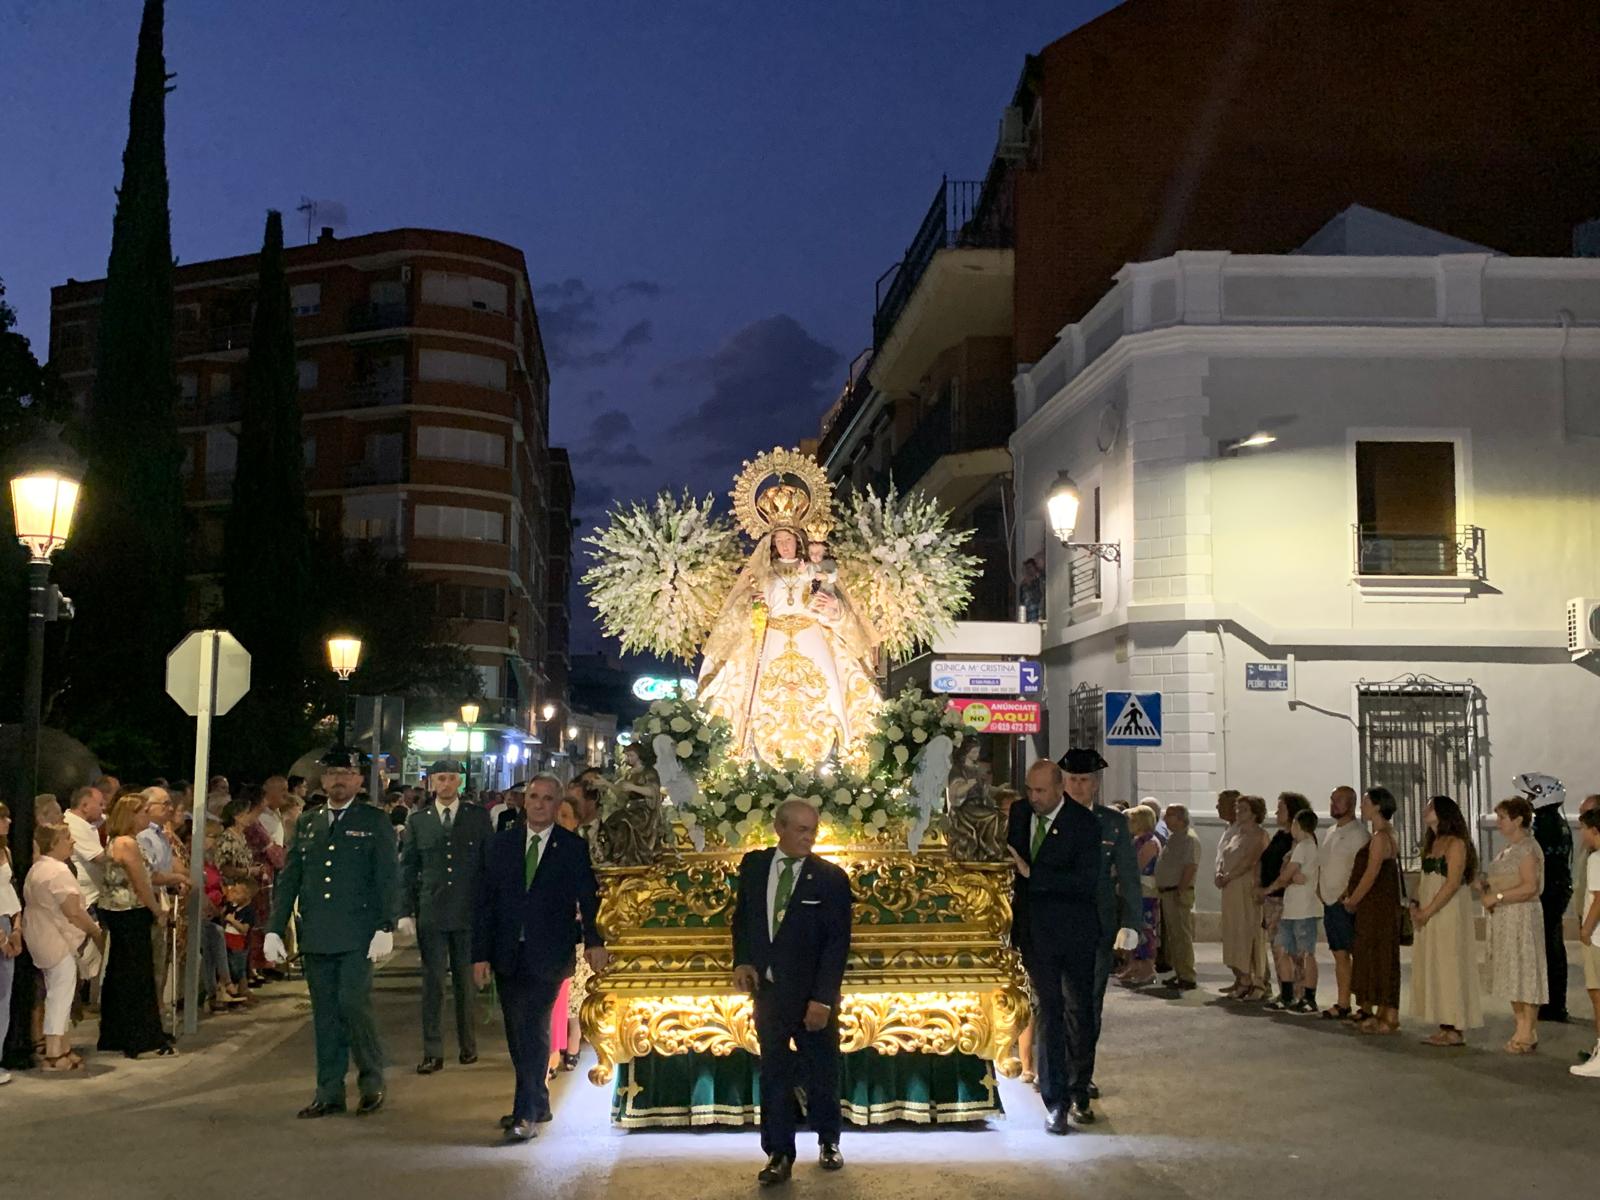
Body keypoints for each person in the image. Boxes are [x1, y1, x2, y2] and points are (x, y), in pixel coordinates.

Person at [264, 747, 400, 1118]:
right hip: (318, 932)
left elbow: (388, 876)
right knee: (324, 1014)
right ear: (323, 780)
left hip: (357, 932)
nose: (339, 781)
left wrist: (386, 924)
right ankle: (329, 1091)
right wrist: (274, 929)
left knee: (353, 1005)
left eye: (347, 774)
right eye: (332, 774)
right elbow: (291, 876)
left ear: (359, 780)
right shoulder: (309, 822)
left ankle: (371, 1080)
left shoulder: (373, 821)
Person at [473, 775, 608, 1143]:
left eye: (548, 798)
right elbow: (484, 902)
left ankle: (525, 1113)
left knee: (533, 1028)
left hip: (549, 953)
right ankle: (538, 1101)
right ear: (524, 801)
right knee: (516, 1032)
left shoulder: (571, 847)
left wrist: (595, 941)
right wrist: (479, 955)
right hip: (507, 952)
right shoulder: (500, 845)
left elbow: (588, 898)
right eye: (533, 796)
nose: (538, 804)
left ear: (557, 804)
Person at [731, 798, 851, 1184]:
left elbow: (836, 945)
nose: (808, 837)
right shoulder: (755, 866)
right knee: (774, 1073)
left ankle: (828, 1140)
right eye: (801, 830)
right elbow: (743, 918)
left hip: (812, 995)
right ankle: (778, 1153)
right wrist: (743, 961)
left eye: (812, 830)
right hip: (769, 993)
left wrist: (823, 999)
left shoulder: (830, 878)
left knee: (822, 1071)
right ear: (779, 829)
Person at [1008, 759, 1102, 1136]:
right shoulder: (1019, 814)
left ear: (1060, 789)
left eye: (1041, 791)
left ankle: (1079, 1089)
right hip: (1035, 933)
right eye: (1029, 790)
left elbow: (1085, 880)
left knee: (1078, 1012)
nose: (1034, 798)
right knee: (1049, 1011)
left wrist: (1034, 874)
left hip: (1074, 932)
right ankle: (1055, 1101)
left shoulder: (1084, 823)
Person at [399, 758, 494, 1075]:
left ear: (459, 783)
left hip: (468, 911)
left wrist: (490, 909)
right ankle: (433, 1051)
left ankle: (468, 1046)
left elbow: (488, 866)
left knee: (466, 984)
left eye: (452, 778)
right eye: (440, 778)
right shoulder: (419, 821)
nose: (446, 784)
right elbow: (408, 868)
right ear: (431, 782)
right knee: (433, 984)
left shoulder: (476, 818)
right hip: (433, 911)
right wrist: (405, 910)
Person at [1058, 747, 1139, 1111]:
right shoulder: (1048, 817)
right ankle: (1058, 1071)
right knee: (1056, 1004)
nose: (1078, 786)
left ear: (1096, 783)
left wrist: (1131, 923)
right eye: (1072, 779)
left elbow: (1129, 876)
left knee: (1089, 1004)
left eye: (1085, 780)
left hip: (1097, 926)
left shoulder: (1113, 823)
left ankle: (1080, 1074)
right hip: (1056, 925)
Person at [98, 794, 176, 1058]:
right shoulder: (127, 843)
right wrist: (156, 910)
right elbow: (141, 881)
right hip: (130, 912)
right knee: (137, 974)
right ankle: (141, 1039)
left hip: (118, 912)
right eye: (143, 811)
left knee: (120, 971)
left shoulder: (118, 841)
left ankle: (115, 1034)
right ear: (130, 815)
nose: (146, 816)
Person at [23, 824, 105, 1071]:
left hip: (40, 935)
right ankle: (54, 1053)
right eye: (67, 838)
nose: (72, 842)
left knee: (59, 993)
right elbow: (73, 911)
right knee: (60, 995)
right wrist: (94, 931)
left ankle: (63, 1046)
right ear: (53, 843)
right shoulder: (57, 871)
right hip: (56, 939)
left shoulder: (38, 868)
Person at [1408, 795, 1482, 1046]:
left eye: (1430, 807)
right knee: (1435, 963)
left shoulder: (1456, 843)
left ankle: (1454, 1026)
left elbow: (1452, 883)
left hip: (1448, 911)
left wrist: (1428, 911)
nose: (1425, 810)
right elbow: (1424, 877)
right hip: (1429, 908)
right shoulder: (1432, 842)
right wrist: (1415, 904)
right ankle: (1443, 1022)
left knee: (1450, 963)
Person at [1481, 796, 1547, 1053]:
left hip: (1522, 917)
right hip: (1505, 918)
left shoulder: (1527, 848)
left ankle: (1527, 1030)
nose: (1498, 822)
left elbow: (1530, 887)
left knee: (1525, 970)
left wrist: (1498, 897)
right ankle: (1521, 1025)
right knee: (1512, 972)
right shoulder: (1508, 849)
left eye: (1502, 817)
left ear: (1518, 820)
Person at [1344, 787, 1402, 1036]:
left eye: (1366, 802)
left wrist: (1353, 900)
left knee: (1378, 955)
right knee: (1381, 956)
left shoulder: (1380, 837)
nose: (1362, 806)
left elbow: (1371, 873)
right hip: (1380, 905)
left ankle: (1388, 1013)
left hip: (1376, 906)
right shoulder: (1387, 834)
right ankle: (1383, 1012)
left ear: (1378, 806)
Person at [1316, 785, 1370, 1020]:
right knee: (1339, 953)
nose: (1333, 804)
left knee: (1357, 954)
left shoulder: (1359, 834)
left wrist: (1349, 894)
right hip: (1330, 901)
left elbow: (1361, 869)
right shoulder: (1330, 831)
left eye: (1339, 800)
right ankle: (1343, 1001)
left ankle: (1365, 1004)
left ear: (1351, 803)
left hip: (1347, 902)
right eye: (1332, 799)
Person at [1525, 776, 1574, 1023]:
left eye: (1532, 795)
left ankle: (1552, 1004)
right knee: (1552, 946)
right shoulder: (1557, 822)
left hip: (1549, 893)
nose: (1528, 799)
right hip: (1557, 890)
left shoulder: (1544, 825)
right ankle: (1555, 1003)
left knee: (1548, 948)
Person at [1260, 793, 1311, 1010]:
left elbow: (1290, 871)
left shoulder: (1299, 840)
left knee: (1291, 950)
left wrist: (1269, 888)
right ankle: (1285, 990)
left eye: (1280, 809)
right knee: (1277, 948)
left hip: (1286, 900)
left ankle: (1299, 992)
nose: (1276, 813)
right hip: (1272, 900)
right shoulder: (1280, 835)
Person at [551, 794, 590, 1073]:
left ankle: (573, 1039)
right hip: (553, 932)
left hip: (579, 935)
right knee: (555, 998)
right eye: (558, 816)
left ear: (576, 821)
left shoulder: (582, 850)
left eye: (566, 816)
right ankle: (553, 1049)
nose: (560, 821)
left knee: (574, 997)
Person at [1216, 792, 1269, 1001]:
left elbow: (1250, 861)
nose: (1238, 812)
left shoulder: (1259, 835)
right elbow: (1224, 856)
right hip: (1230, 889)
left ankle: (1257, 981)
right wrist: (1220, 873)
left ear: (1255, 813)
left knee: (1248, 932)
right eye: (1238, 809)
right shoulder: (1236, 833)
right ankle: (1242, 977)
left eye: (1244, 809)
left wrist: (1229, 876)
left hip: (1246, 887)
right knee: (1234, 933)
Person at [1271, 809, 1321, 1014]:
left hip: (1303, 908)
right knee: (1284, 949)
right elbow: (1291, 873)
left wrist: (1285, 878)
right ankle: (1288, 994)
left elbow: (1285, 875)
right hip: (1292, 908)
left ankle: (1308, 997)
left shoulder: (1304, 846)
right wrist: (1292, 875)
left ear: (1297, 825)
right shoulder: (1304, 847)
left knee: (1306, 953)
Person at [1155, 803, 1200, 990]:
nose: (1165, 819)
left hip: (1177, 891)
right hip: (1167, 891)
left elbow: (1190, 866)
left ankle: (1187, 975)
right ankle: (1179, 971)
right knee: (1173, 937)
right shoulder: (1174, 837)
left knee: (1181, 935)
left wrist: (1181, 890)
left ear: (1181, 818)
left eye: (1169, 815)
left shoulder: (1189, 839)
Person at [1115, 804, 1160, 987]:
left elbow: (1136, 866)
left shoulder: (1150, 842)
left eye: (1132, 821)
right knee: (1132, 927)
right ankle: (1134, 965)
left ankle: (1148, 968)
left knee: (1145, 929)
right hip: (1133, 890)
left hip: (1145, 891)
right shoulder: (1136, 840)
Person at [1571, 805, 1600, 1078]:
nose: (1581, 834)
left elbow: (1598, 897)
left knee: (1597, 993)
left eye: (1583, 828)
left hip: (1598, 937)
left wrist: (1586, 929)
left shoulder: (1596, 859)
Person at [63, 785, 107, 909]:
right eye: (100, 804)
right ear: (85, 806)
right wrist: (125, 852)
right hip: (87, 901)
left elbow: (108, 818)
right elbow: (99, 858)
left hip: (93, 896)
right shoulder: (74, 825)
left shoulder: (84, 821)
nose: (103, 808)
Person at [0, 804, 18, 1084]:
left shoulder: (6, 851)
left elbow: (9, 890)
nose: (9, 821)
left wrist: (17, 928)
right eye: (2, 817)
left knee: (4, 997)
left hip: (8, 921)